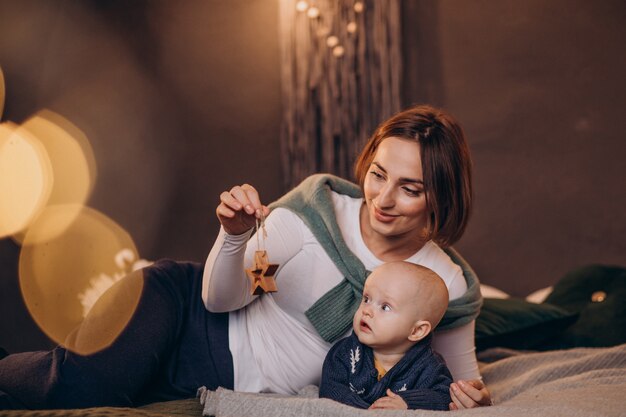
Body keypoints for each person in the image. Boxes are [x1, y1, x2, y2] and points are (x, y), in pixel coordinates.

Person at [0, 104, 491, 410]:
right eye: (378, 174)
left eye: (409, 189)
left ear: (439, 198)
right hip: (182, 315)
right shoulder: (311, 220)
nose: (383, 199)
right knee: (76, 392)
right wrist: (234, 236)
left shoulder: (444, 281)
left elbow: (456, 376)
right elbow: (219, 300)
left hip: (220, 379)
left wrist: (472, 396)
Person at [319, 261, 453, 410]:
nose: (367, 310)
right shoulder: (344, 352)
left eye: (385, 307)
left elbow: (445, 397)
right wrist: (363, 412)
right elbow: (330, 390)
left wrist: (408, 403)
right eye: (366, 299)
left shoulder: (429, 367)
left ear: (416, 331)